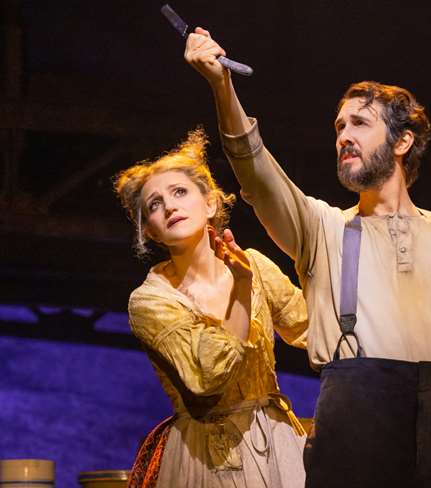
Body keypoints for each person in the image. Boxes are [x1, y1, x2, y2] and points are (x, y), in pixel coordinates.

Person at [183, 28, 431, 487]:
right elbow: (256, 172)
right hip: (357, 425)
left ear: (402, 142)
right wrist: (222, 86)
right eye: (339, 127)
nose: (343, 135)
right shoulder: (323, 229)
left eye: (359, 123)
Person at [114, 129, 309, 488]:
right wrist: (241, 290)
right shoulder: (151, 300)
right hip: (204, 457)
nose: (170, 206)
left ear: (210, 204)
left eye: (179, 192)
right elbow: (206, 380)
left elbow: (312, 329)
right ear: (152, 232)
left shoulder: (255, 265)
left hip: (275, 444)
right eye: (154, 205)